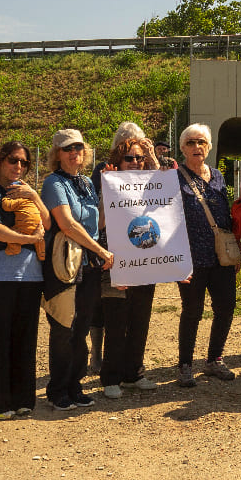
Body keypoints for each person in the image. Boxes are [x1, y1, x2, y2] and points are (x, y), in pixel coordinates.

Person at [0, 141, 49, 419]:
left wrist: (35, 197)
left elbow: (48, 223)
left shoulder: (28, 193)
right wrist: (28, 239)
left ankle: (22, 399)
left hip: (30, 276)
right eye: (13, 160)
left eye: (24, 163)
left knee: (24, 339)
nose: (18, 167)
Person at [42, 129, 114, 411]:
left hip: (88, 266)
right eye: (67, 149)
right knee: (63, 329)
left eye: (79, 148)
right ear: (57, 155)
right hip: (64, 266)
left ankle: (75, 385)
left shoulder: (85, 182)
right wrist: (99, 250)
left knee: (81, 328)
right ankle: (57, 389)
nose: (74, 153)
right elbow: (68, 224)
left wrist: (109, 191)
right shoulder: (53, 183)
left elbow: (99, 224)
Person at [96, 136, 160, 399]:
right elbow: (98, 223)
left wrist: (151, 154)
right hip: (115, 263)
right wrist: (105, 186)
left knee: (139, 320)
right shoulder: (104, 183)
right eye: (129, 158)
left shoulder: (150, 187)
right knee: (116, 321)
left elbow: (165, 191)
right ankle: (111, 378)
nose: (135, 162)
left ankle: (133, 373)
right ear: (117, 162)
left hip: (144, 262)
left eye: (139, 158)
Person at [175, 123, 238, 387]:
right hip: (191, 256)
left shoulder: (218, 176)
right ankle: (185, 364)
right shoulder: (174, 176)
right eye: (190, 142)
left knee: (226, 307)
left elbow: (226, 212)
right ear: (182, 148)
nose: (196, 147)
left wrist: (235, 244)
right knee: (192, 311)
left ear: (209, 146)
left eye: (201, 142)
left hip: (220, 256)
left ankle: (214, 359)